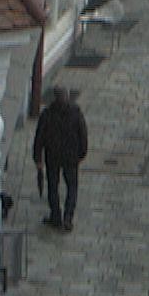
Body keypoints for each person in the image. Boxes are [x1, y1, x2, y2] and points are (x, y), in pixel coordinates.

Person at [33, 85, 89, 233]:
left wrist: (37, 158)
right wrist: (81, 154)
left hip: (53, 156)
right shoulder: (75, 113)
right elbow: (83, 135)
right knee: (71, 187)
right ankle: (67, 218)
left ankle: (56, 216)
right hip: (70, 157)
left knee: (53, 186)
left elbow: (39, 138)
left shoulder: (48, 114)